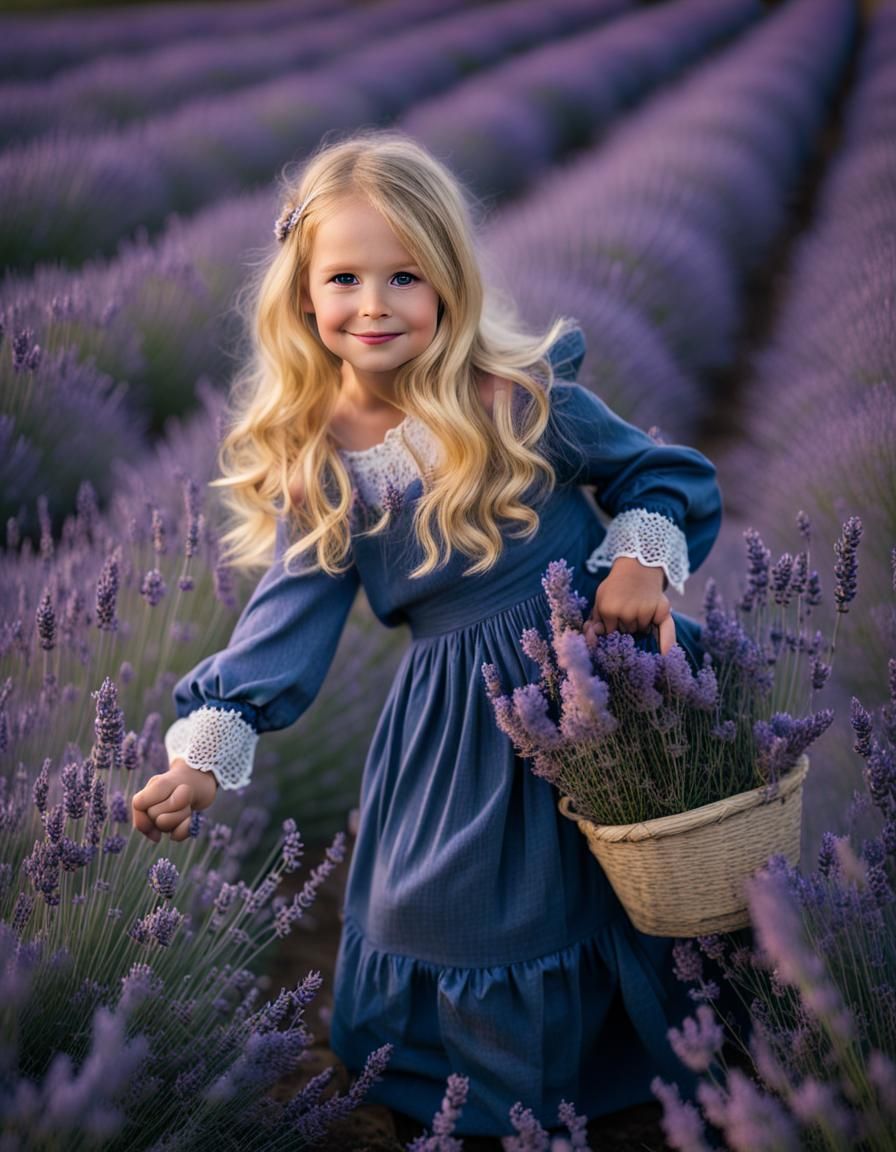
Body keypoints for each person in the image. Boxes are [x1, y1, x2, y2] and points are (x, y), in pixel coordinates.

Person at [132, 130, 722, 1141]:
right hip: (463, 731)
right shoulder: (325, 466)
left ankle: (646, 1089)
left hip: (603, 679)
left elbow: (658, 473)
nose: (373, 304)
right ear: (303, 297)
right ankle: (482, 1112)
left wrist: (637, 561)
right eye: (345, 278)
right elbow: (287, 620)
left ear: (447, 281)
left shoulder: (516, 402)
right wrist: (204, 751)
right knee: (456, 910)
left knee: (633, 889)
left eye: (403, 275)